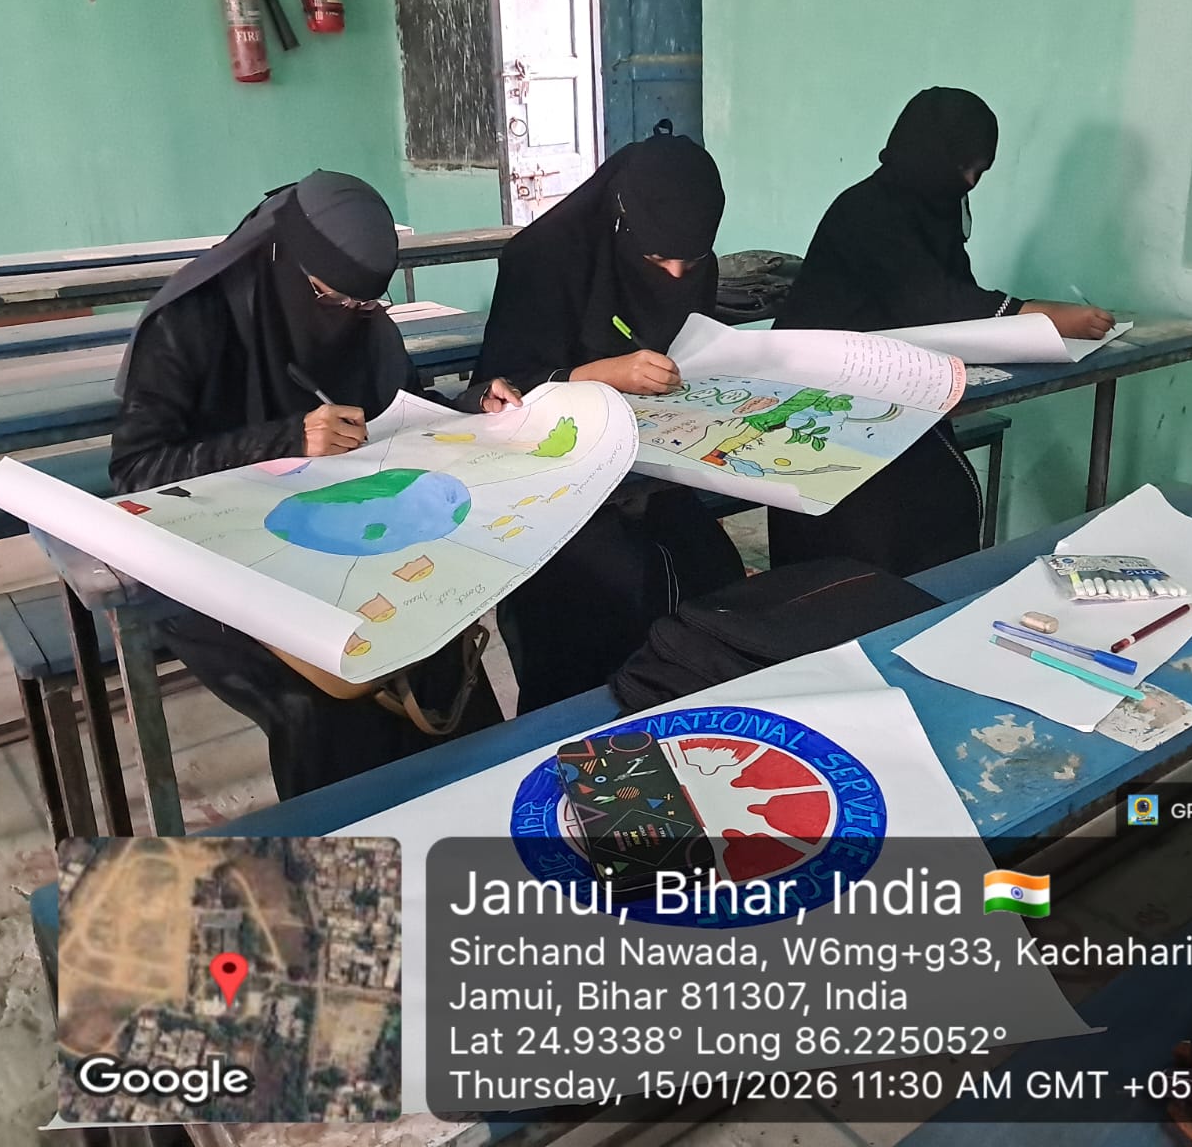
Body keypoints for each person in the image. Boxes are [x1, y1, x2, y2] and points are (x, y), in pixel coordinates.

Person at [110, 170, 516, 799]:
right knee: (323, 702)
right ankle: (353, 848)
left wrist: (470, 407)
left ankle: (479, 816)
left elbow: (396, 414)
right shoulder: (192, 319)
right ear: (283, 257)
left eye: (365, 305)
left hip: (341, 535)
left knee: (438, 648)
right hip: (213, 556)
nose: (349, 316)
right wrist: (285, 440)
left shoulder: (359, 317)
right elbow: (136, 473)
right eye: (331, 298)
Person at [768, 87, 1115, 576]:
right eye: (962, 167)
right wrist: (1040, 315)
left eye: (980, 171)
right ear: (928, 154)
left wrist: (1023, 319)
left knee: (938, 499)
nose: (969, 182)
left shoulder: (937, 207)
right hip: (820, 394)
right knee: (890, 518)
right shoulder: (866, 209)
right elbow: (931, 300)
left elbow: (956, 294)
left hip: (895, 385)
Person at [469, 122, 745, 713]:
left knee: (715, 582)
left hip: (653, 469)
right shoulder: (544, 259)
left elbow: (692, 347)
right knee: (601, 603)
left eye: (693, 259)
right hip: (553, 484)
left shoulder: (688, 256)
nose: (677, 275)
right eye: (657, 258)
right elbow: (498, 392)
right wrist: (599, 373)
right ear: (622, 220)